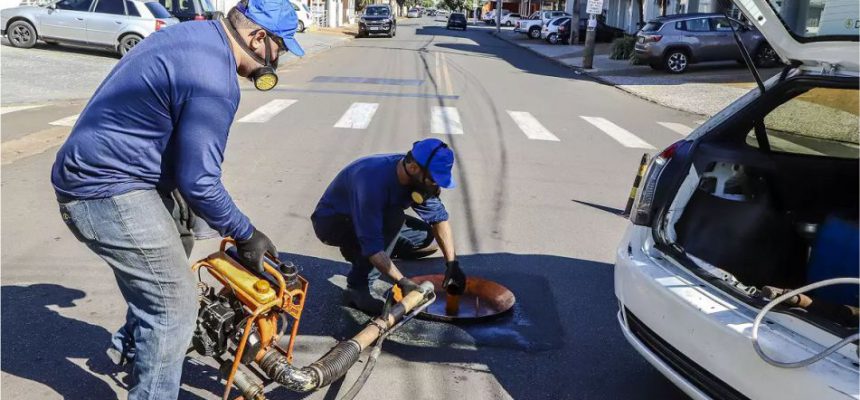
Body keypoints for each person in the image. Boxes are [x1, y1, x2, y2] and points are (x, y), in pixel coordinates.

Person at [50, 0, 304, 398]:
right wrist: (246, 234)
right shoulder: (215, 80)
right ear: (258, 38)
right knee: (174, 305)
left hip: (108, 168)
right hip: (103, 188)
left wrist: (204, 218)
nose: (279, 59)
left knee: (180, 238)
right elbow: (200, 180)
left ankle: (132, 347)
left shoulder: (196, 34)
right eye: (281, 48)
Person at [311, 138, 468, 314]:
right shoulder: (372, 182)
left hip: (374, 215)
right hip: (334, 223)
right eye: (434, 180)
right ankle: (357, 286)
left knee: (425, 237)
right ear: (413, 168)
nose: (436, 186)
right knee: (392, 220)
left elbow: (439, 219)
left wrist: (452, 264)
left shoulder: (417, 175)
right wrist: (402, 281)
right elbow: (373, 247)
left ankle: (361, 251)